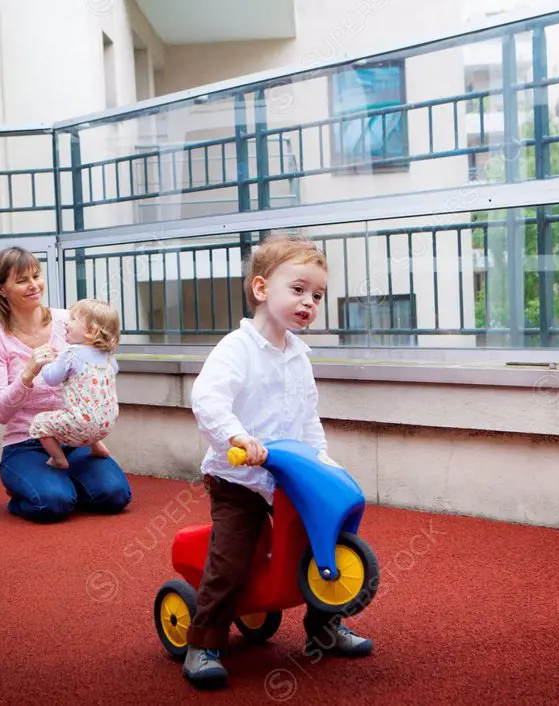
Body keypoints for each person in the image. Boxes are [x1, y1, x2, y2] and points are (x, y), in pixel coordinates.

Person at [182, 235, 374, 689]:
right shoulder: (237, 347)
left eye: (318, 295)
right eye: (299, 289)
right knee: (232, 555)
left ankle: (325, 628)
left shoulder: (299, 356)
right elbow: (207, 398)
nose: (309, 302)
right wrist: (237, 437)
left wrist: (322, 460)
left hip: (290, 474)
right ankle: (204, 640)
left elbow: (307, 418)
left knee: (320, 543)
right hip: (240, 477)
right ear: (262, 288)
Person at [0, 246, 132, 523]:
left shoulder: (67, 321)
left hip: (73, 435)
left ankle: (62, 483)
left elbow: (100, 358)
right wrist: (28, 373)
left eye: (36, 275)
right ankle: (34, 488)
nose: (34, 285)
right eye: (22, 280)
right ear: (2, 289)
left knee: (115, 495)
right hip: (25, 442)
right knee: (53, 503)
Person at [29, 298, 120, 469]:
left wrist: (45, 362)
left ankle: (58, 459)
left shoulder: (71, 353)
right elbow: (114, 371)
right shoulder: (108, 356)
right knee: (91, 409)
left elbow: (51, 378)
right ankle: (97, 446)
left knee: (40, 422)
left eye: (72, 319)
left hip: (80, 424)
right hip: (107, 423)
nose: (66, 322)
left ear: (90, 331)